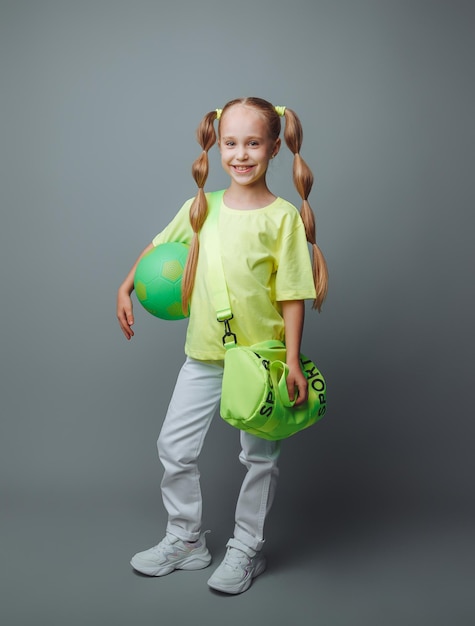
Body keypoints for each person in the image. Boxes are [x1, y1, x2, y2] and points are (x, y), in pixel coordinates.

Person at [116, 97, 328, 594]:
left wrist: (292, 360)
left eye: (253, 143)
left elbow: (294, 294)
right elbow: (158, 247)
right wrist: (125, 285)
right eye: (230, 143)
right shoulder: (201, 207)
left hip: (260, 361)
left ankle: (247, 547)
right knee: (174, 448)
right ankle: (186, 539)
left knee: (259, 459)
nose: (240, 154)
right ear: (216, 144)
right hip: (205, 356)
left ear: (275, 148)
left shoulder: (284, 219)